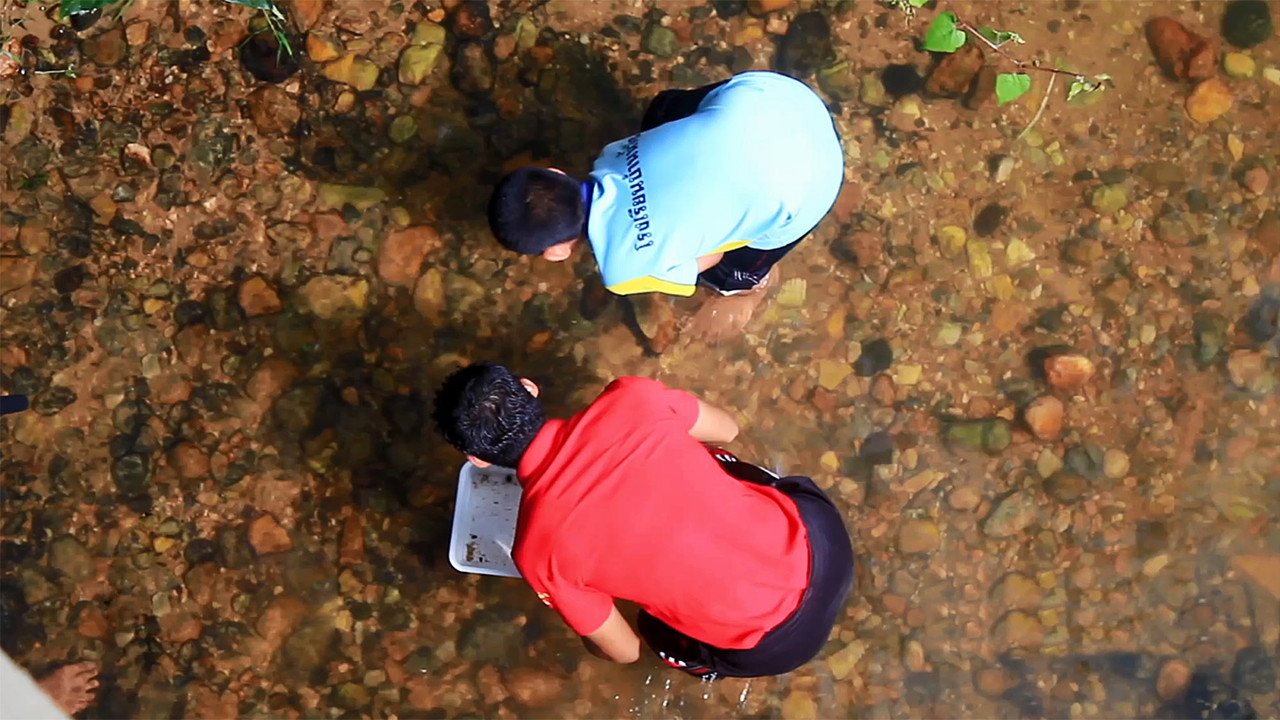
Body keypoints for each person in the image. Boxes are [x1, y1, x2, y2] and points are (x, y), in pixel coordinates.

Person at [432, 362, 854, 678]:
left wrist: (590, 639)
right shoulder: (632, 397)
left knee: (654, 629)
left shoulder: (536, 554)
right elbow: (727, 429)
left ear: (477, 460)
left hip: (782, 645)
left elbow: (626, 651)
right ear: (529, 387)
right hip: (827, 543)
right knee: (716, 458)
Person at [487, 71, 844, 337]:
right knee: (662, 112)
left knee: (724, 274)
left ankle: (746, 289)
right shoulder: (610, 154)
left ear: (556, 253)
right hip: (778, 95)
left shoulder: (622, 272)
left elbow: (713, 256)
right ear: (555, 172)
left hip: (815, 183)